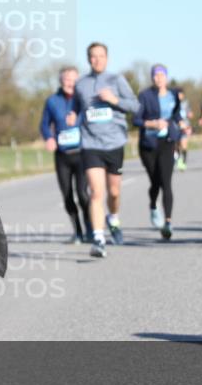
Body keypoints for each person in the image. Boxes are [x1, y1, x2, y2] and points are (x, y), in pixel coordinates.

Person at [71, 42, 140, 258]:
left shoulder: (116, 80)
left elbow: (135, 107)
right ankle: (99, 239)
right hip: (90, 144)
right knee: (96, 192)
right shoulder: (80, 84)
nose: (97, 59)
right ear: (88, 59)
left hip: (115, 144)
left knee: (114, 192)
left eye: (101, 56)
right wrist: (72, 116)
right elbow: (75, 107)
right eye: (93, 56)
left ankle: (114, 219)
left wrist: (114, 99)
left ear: (107, 58)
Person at [41, 66, 92, 243]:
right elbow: (44, 124)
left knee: (83, 194)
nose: (70, 82)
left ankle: (91, 229)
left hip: (82, 153)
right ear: (61, 81)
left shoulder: (84, 100)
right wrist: (49, 137)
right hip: (62, 155)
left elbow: (91, 118)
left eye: (73, 79)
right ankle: (77, 231)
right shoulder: (52, 101)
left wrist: (79, 120)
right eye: (66, 79)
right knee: (68, 195)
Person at [136, 64, 183, 240]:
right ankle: (154, 207)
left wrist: (181, 123)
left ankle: (168, 223)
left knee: (166, 182)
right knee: (155, 181)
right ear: (152, 78)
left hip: (167, 142)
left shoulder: (173, 95)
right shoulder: (145, 96)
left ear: (166, 77)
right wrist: (153, 124)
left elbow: (177, 115)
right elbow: (136, 119)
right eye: (156, 75)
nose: (159, 78)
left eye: (162, 75)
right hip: (148, 144)